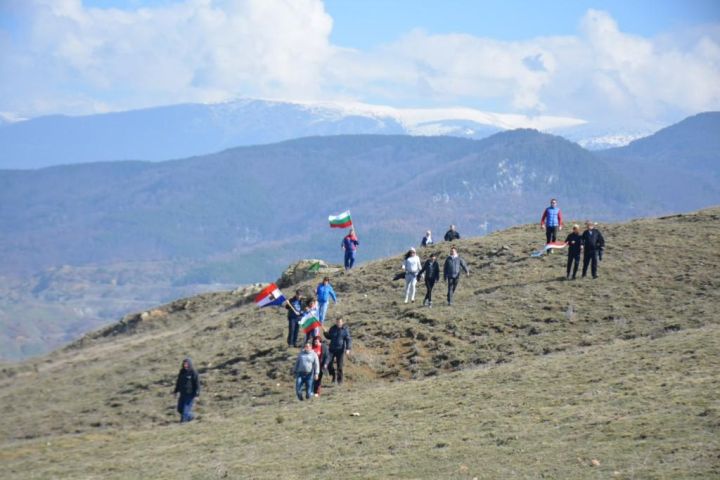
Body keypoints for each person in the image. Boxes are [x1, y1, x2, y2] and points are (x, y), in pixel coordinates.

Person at [323, 317, 352, 385]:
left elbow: (348, 339)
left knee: (340, 366)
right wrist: (325, 332)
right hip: (331, 349)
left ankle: (340, 381)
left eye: (339, 322)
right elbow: (329, 337)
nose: (338, 323)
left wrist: (348, 348)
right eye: (337, 322)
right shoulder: (333, 328)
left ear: (342, 322)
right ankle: (333, 375)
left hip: (340, 350)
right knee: (329, 364)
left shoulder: (345, 330)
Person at [173, 357, 200, 423]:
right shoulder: (181, 372)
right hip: (182, 394)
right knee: (179, 409)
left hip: (190, 395)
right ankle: (191, 416)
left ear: (190, 364)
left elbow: (197, 384)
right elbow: (178, 382)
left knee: (185, 411)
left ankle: (183, 423)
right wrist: (175, 391)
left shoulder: (193, 372)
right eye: (184, 364)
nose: (185, 365)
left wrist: (197, 395)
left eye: (187, 364)